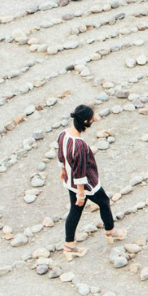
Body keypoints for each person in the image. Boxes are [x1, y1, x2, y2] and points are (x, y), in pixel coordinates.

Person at [58, 104, 123, 258]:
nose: (93, 122)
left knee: (75, 211)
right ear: (86, 122)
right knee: (104, 202)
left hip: (70, 181)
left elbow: (61, 154)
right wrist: (81, 194)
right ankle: (111, 231)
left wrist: (62, 170)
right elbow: (80, 171)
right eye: (91, 120)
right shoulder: (79, 145)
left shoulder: (63, 134)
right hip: (86, 185)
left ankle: (69, 245)